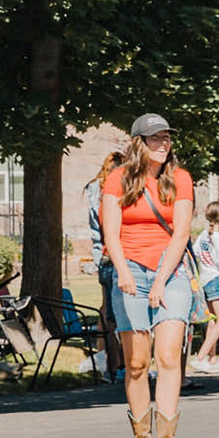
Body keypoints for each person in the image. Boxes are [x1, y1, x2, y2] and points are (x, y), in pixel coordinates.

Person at [101, 113, 194, 438]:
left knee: (169, 357)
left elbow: (182, 233)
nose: (164, 143)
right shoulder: (117, 179)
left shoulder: (180, 179)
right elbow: (111, 231)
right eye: (156, 138)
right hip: (129, 274)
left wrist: (160, 280)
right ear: (140, 142)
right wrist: (123, 271)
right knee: (138, 363)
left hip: (170, 274)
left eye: (167, 137)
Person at [86, 150, 126, 382]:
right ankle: (117, 366)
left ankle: (111, 363)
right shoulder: (108, 196)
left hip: (103, 256)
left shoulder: (96, 190)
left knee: (108, 312)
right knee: (116, 317)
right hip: (114, 256)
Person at [189, 202, 219, 372]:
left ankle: (211, 358)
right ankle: (200, 357)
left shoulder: (203, 236)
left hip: (205, 279)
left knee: (212, 322)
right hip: (215, 278)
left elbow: (196, 253)